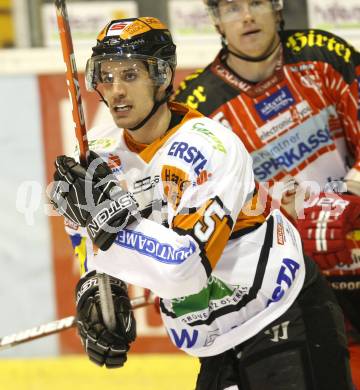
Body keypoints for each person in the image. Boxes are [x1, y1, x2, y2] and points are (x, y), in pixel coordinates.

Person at [49, 17, 353, 389]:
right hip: (214, 343)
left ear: (161, 77)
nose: (115, 91)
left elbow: (184, 269)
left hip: (284, 317)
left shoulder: (208, 147)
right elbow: (84, 234)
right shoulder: (98, 155)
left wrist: (110, 228)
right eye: (106, 76)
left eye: (129, 75)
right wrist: (98, 286)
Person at [175, 0, 360, 386]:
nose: (246, 16)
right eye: (230, 8)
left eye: (256, 2)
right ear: (215, 22)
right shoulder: (198, 110)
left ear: (277, 9)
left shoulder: (324, 55)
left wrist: (348, 199)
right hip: (285, 280)